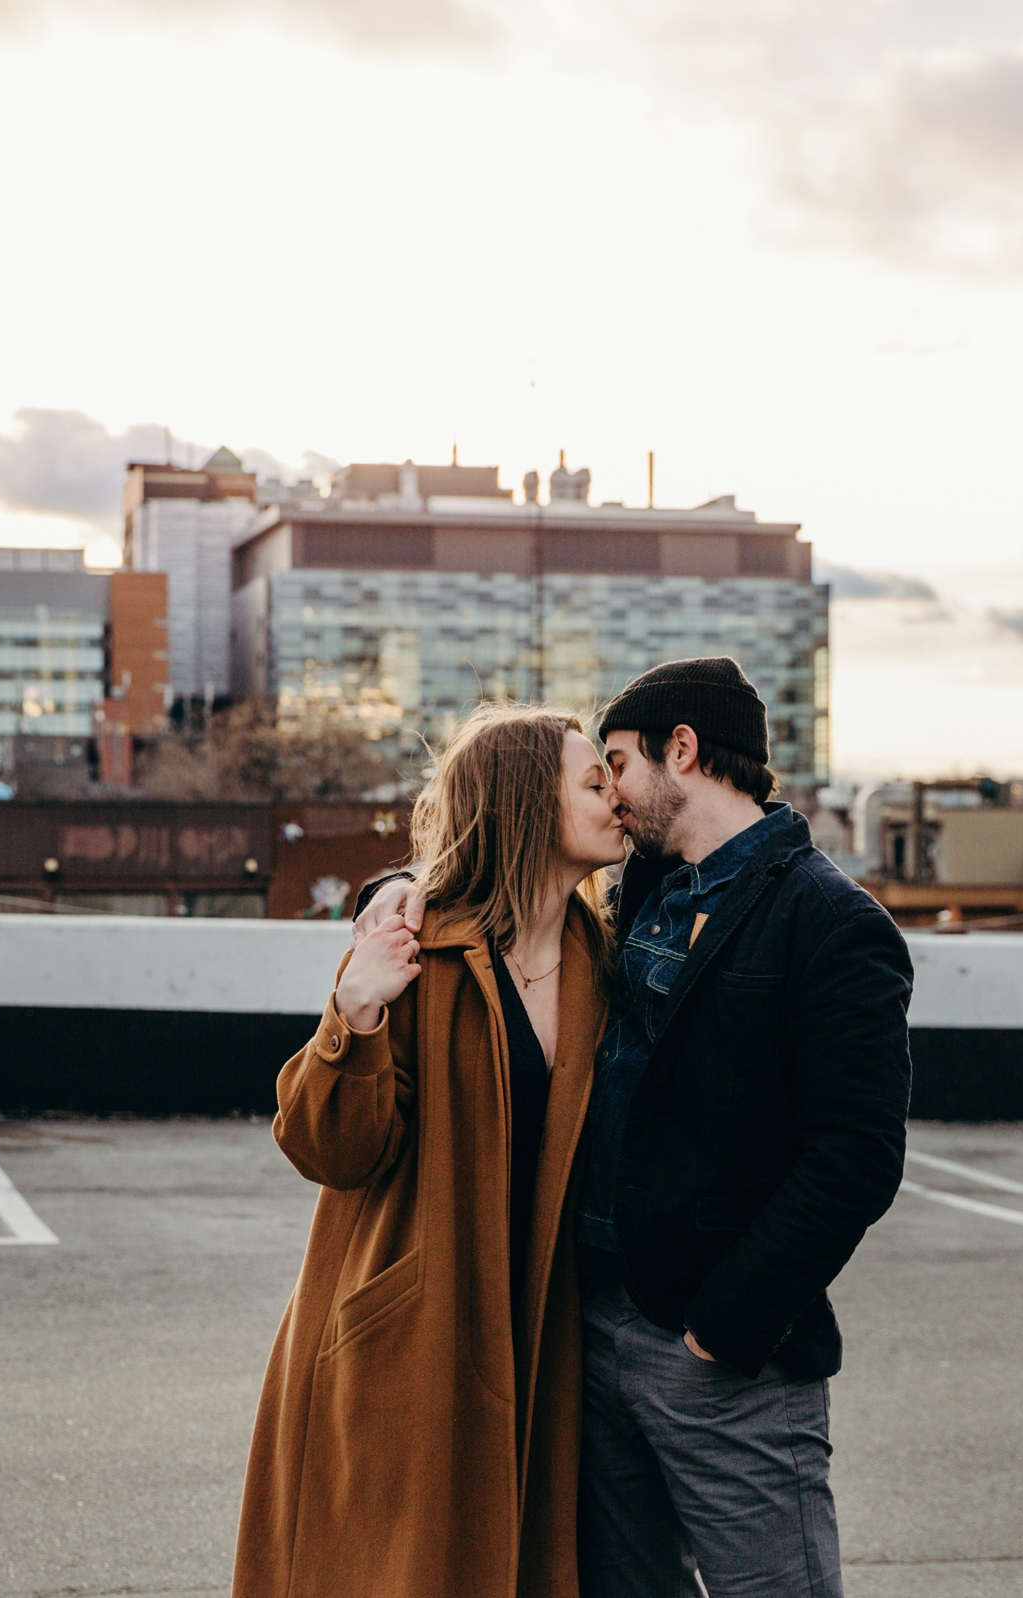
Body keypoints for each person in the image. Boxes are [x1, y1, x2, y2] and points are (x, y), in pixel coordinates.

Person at [359, 657, 915, 1598]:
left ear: (682, 752)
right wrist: (398, 884)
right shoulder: (643, 888)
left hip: (721, 1360)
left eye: (615, 762)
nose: (610, 793)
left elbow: (856, 1157)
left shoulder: (828, 921)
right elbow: (505, 864)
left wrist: (722, 1327)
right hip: (588, 1330)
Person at [234, 704, 628, 1598]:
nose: (614, 797)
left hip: (544, 1333)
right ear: (529, 803)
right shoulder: (414, 947)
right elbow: (328, 1149)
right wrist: (357, 1015)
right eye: (590, 780)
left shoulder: (605, 962)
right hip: (415, 1336)